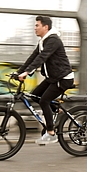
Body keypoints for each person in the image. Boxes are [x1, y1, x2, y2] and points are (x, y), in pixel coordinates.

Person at [17, 16, 75, 145]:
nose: (35, 28)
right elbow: (33, 57)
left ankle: (51, 133)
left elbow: (42, 58)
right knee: (35, 95)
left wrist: (28, 72)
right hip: (53, 78)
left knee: (44, 100)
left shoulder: (53, 40)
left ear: (45, 27)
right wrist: (19, 71)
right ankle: (57, 110)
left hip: (63, 78)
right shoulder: (43, 41)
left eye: (37, 25)